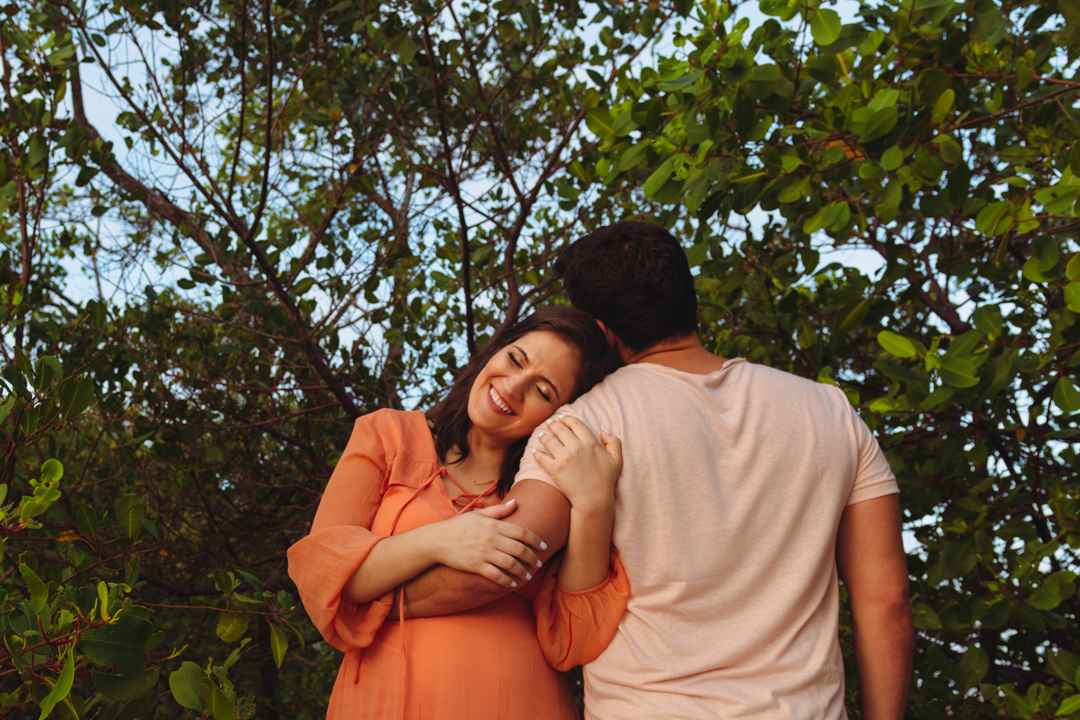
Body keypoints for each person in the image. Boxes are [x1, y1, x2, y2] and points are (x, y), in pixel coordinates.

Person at [388, 222, 914, 719]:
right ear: (686, 298)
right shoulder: (830, 412)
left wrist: (370, 603)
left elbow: (500, 559)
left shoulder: (583, 424)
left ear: (601, 331)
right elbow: (886, 602)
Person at [287, 307, 628, 719]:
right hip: (381, 701)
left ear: (562, 412)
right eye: (515, 359)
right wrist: (440, 540)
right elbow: (324, 575)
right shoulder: (387, 434)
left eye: (543, 390)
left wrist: (594, 504)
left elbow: (579, 639)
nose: (513, 387)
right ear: (495, 350)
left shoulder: (548, 486)